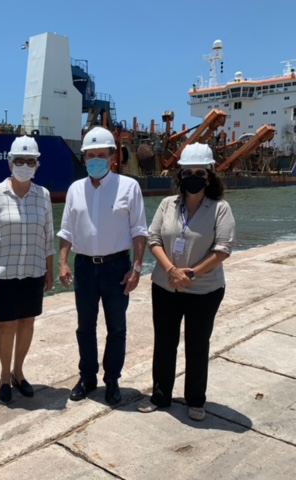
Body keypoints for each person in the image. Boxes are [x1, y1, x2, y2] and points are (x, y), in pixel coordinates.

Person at [139, 143, 235, 421]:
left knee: (197, 344)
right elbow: (153, 239)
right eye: (188, 172)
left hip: (204, 290)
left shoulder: (220, 208)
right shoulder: (167, 204)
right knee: (164, 342)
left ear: (210, 175)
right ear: (180, 175)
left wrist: (191, 274)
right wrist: (172, 270)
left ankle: (195, 400)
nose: (194, 177)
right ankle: (160, 395)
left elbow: (223, 249)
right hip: (165, 285)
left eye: (200, 172)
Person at [58, 126, 148, 406]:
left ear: (112, 156)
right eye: (90, 155)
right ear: (84, 158)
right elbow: (66, 231)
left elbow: (139, 231)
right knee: (84, 327)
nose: (95, 159)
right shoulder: (75, 189)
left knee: (116, 327)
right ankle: (87, 378)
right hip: (84, 267)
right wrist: (62, 262)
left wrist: (137, 267)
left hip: (116, 267)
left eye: (101, 154)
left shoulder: (129, 187)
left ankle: (112, 380)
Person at [0, 135, 55, 404]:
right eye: (19, 161)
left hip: (33, 269)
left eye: (30, 161)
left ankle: (18, 372)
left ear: (37, 165)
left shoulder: (43, 195)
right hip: (3, 270)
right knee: (5, 324)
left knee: (27, 322)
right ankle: (3, 375)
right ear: (10, 164)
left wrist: (50, 270)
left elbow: (48, 236)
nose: (24, 165)